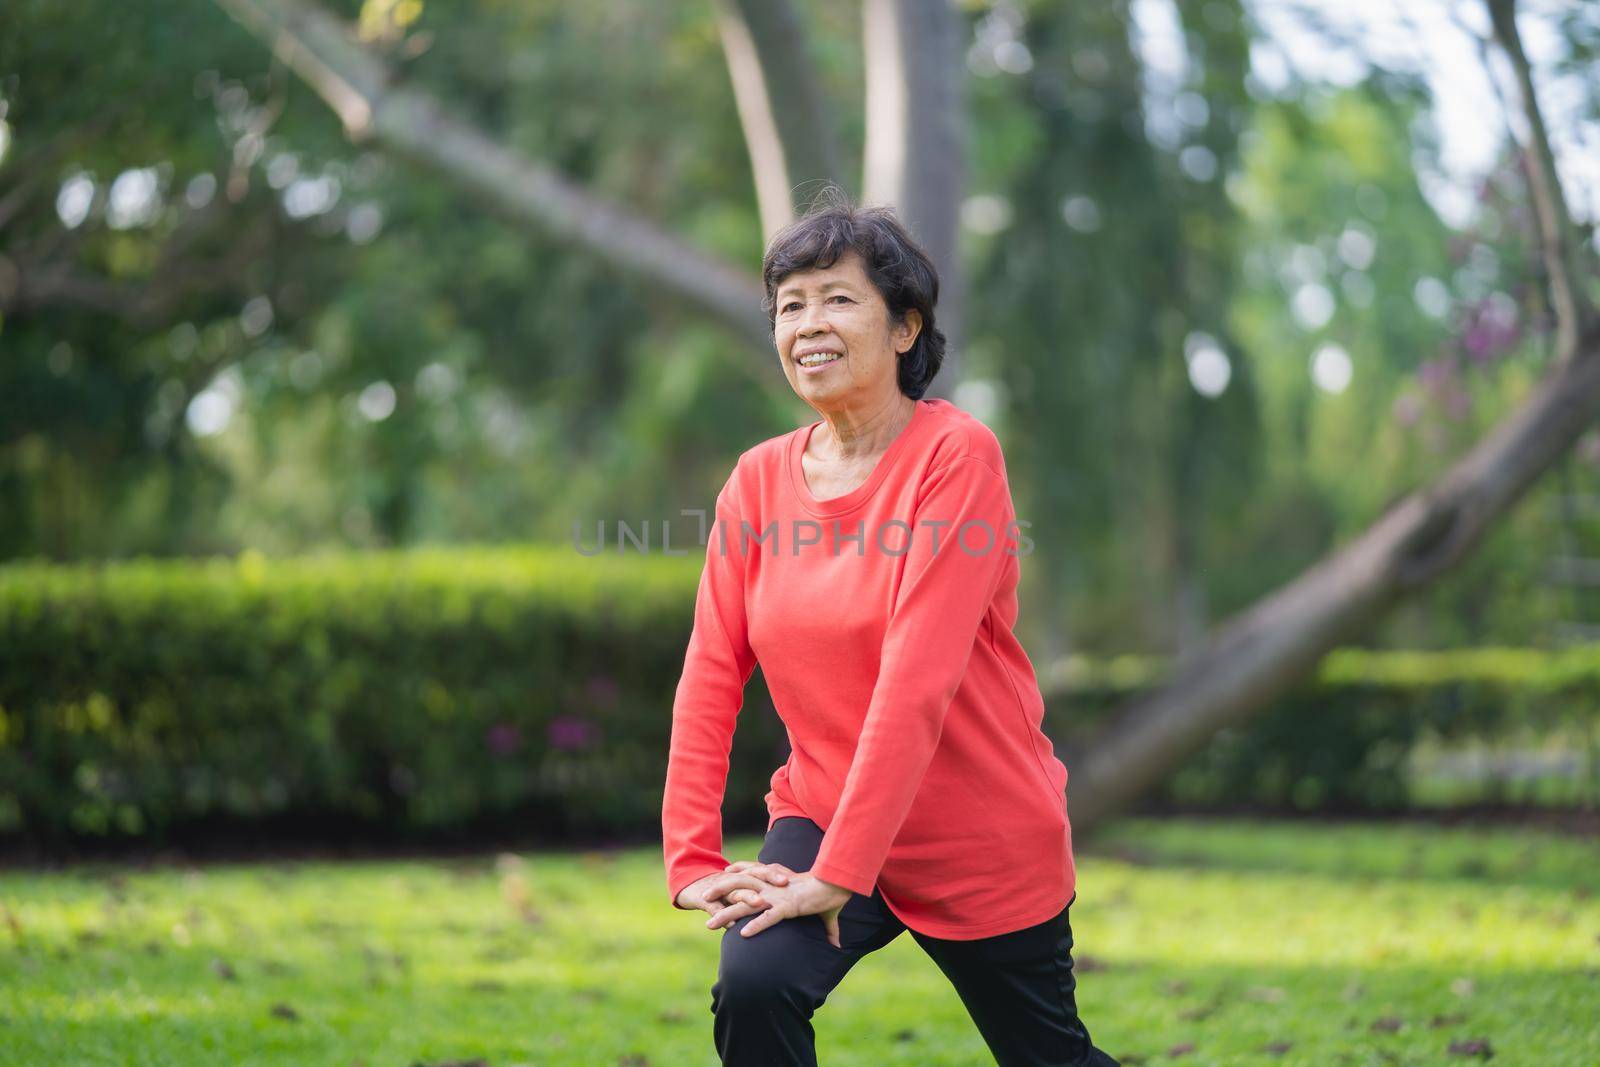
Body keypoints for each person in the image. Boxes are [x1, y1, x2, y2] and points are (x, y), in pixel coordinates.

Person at [661, 189, 1120, 1067]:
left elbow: (917, 681)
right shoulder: (756, 482)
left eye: (838, 298)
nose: (809, 324)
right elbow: (711, 672)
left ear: (905, 329)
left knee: (1049, 1057)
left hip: (976, 831)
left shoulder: (957, 458)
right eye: (790, 305)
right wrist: (691, 858)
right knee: (756, 987)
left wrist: (846, 870)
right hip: (825, 810)